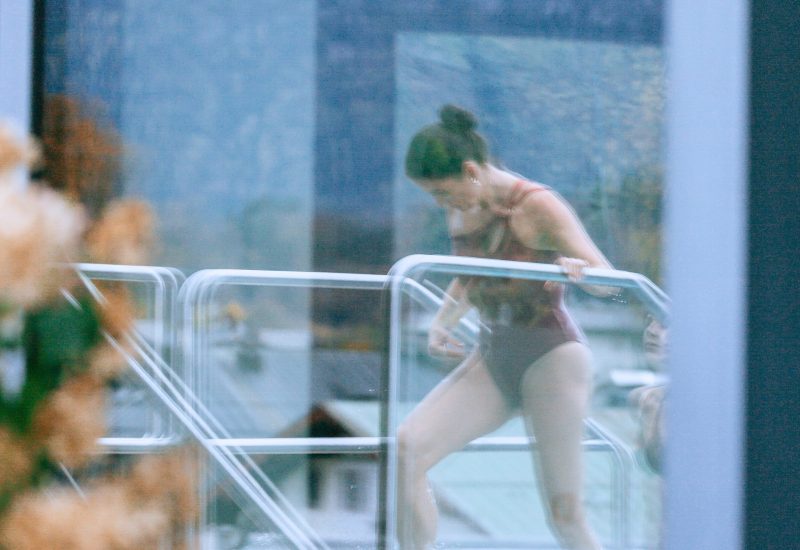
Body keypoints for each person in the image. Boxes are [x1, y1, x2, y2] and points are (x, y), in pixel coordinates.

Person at [397, 105, 613, 550]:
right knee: (407, 451)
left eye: (443, 191)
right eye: (432, 196)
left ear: (471, 170)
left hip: (551, 356)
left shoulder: (536, 204)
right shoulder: (462, 208)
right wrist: (444, 320)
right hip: (495, 353)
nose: (441, 204)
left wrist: (578, 270)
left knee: (565, 514)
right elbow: (470, 271)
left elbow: (610, 283)